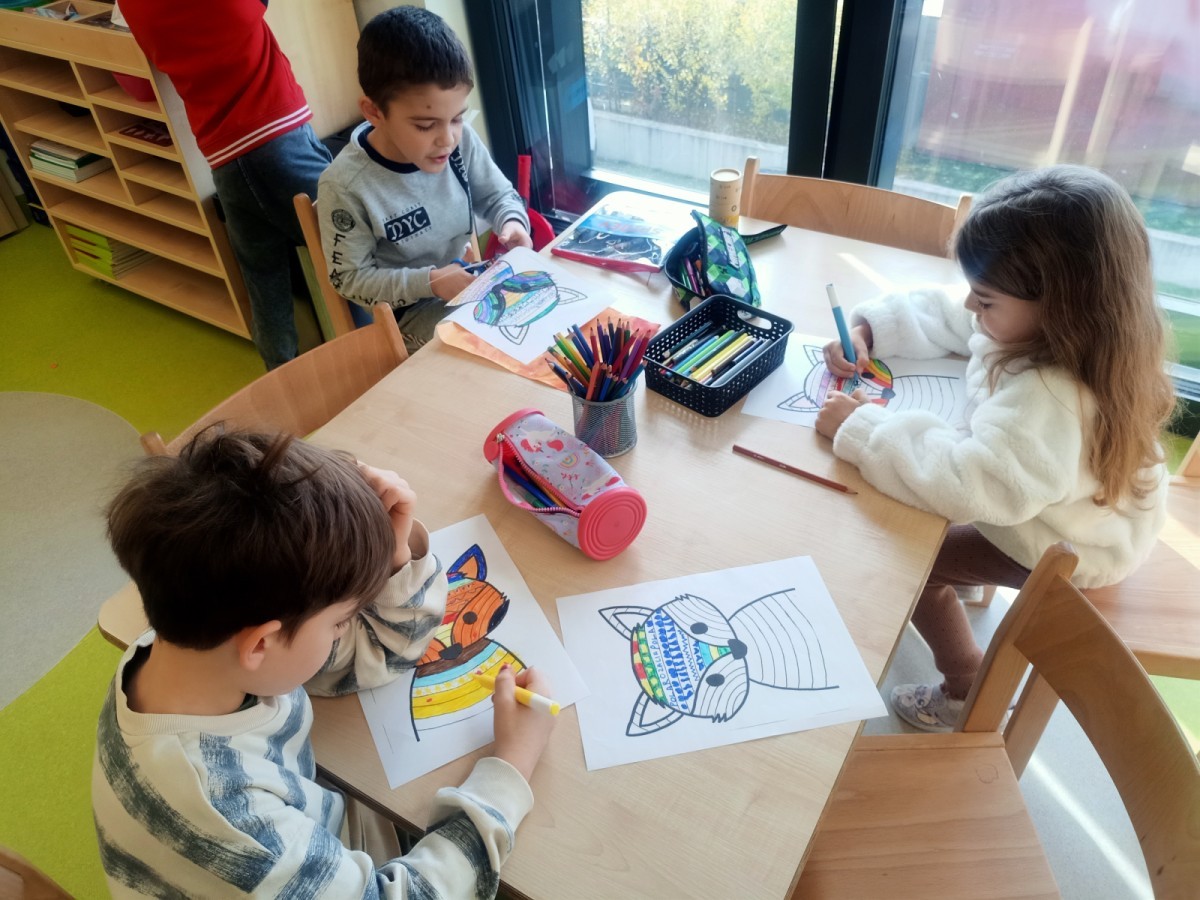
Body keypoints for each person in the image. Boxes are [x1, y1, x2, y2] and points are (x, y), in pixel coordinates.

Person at [92, 429, 555, 897]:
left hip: (318, 832)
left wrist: (394, 555)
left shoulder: (197, 643)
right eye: (340, 622)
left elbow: (373, 651)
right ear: (261, 643)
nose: (346, 631)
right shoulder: (233, 822)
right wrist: (512, 765)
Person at [815, 165, 1176, 731]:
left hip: (1073, 545)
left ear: (1058, 306)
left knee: (915, 557)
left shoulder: (1051, 400)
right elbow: (952, 313)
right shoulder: (1091, 332)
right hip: (1083, 507)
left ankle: (965, 684)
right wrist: (871, 330)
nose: (970, 307)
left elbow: (970, 487)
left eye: (984, 301)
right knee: (922, 521)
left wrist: (862, 429)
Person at [114, 0, 331, 370]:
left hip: (225, 162)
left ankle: (280, 372)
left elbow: (143, 82)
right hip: (281, 138)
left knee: (263, 278)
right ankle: (385, 344)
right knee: (352, 243)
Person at [318, 6, 533, 354]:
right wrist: (431, 281)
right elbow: (350, 279)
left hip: (465, 283)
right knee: (501, 350)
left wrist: (512, 222)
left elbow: (499, 196)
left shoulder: (460, 142)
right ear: (374, 112)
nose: (447, 139)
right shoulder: (345, 186)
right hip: (405, 316)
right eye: (425, 125)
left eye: (457, 118)